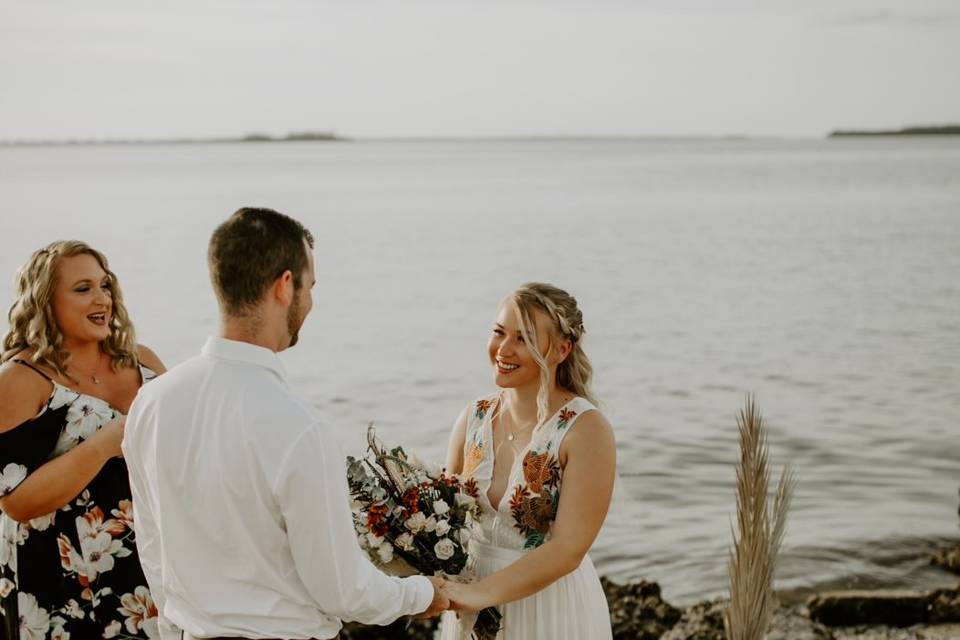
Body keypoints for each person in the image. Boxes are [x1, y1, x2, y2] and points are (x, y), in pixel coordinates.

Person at [123, 207, 448, 640]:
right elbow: (342, 591)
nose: (310, 302)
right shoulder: (299, 428)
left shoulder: (152, 404)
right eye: (310, 286)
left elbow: (153, 549)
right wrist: (422, 594)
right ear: (285, 285)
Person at [0, 240, 166, 640]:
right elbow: (15, 502)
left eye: (105, 285)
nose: (102, 298)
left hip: (148, 567)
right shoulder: (20, 379)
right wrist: (103, 444)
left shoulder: (143, 362)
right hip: (57, 584)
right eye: (83, 288)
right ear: (46, 302)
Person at [438, 283, 616, 639]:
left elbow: (568, 550)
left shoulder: (585, 429)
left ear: (562, 349)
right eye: (499, 333)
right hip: (469, 606)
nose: (504, 349)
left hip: (549, 609)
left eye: (523, 339)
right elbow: (443, 517)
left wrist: (481, 594)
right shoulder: (472, 417)